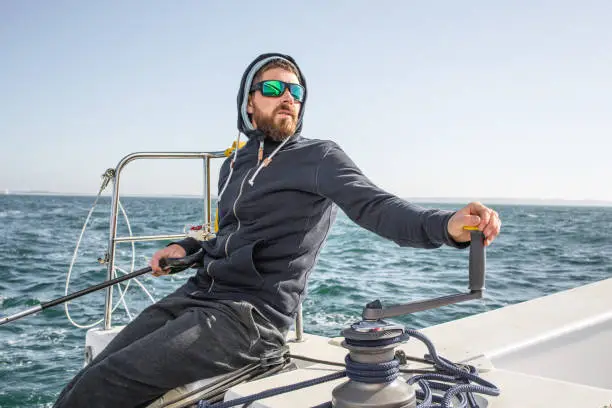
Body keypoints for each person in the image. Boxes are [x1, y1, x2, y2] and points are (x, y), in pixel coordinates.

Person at [53, 52, 501, 408]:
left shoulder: (319, 158)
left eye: (295, 90)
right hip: (198, 294)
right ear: (250, 103)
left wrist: (445, 226)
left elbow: (377, 207)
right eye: (272, 88)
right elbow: (223, 233)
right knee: (87, 378)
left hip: (249, 317)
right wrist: (185, 247)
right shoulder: (235, 163)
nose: (287, 96)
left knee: (107, 386)